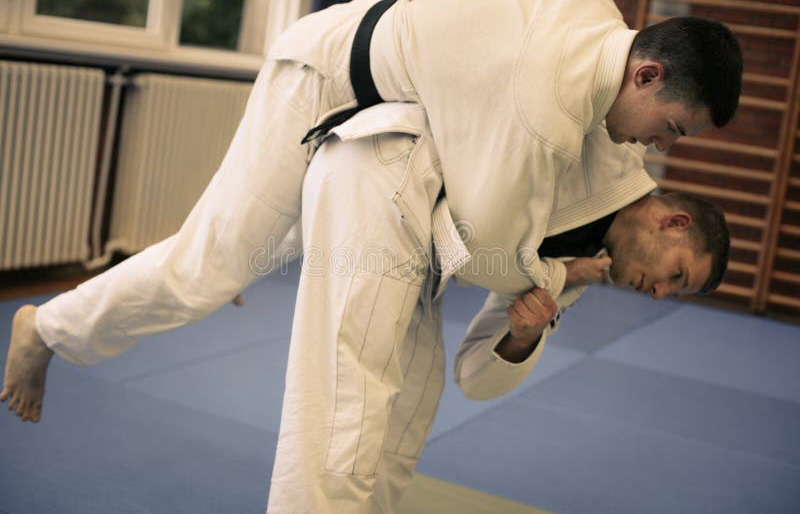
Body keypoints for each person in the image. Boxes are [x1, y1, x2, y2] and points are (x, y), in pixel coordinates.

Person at [3, 100, 729, 512]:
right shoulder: (602, 141)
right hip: (379, 155)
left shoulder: (582, 270)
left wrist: (518, 332)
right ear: (671, 224)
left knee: (408, 400)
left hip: (411, 231)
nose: (660, 295)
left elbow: (482, 367)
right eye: (677, 276)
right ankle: (50, 326)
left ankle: (50, 324)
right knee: (313, 362)